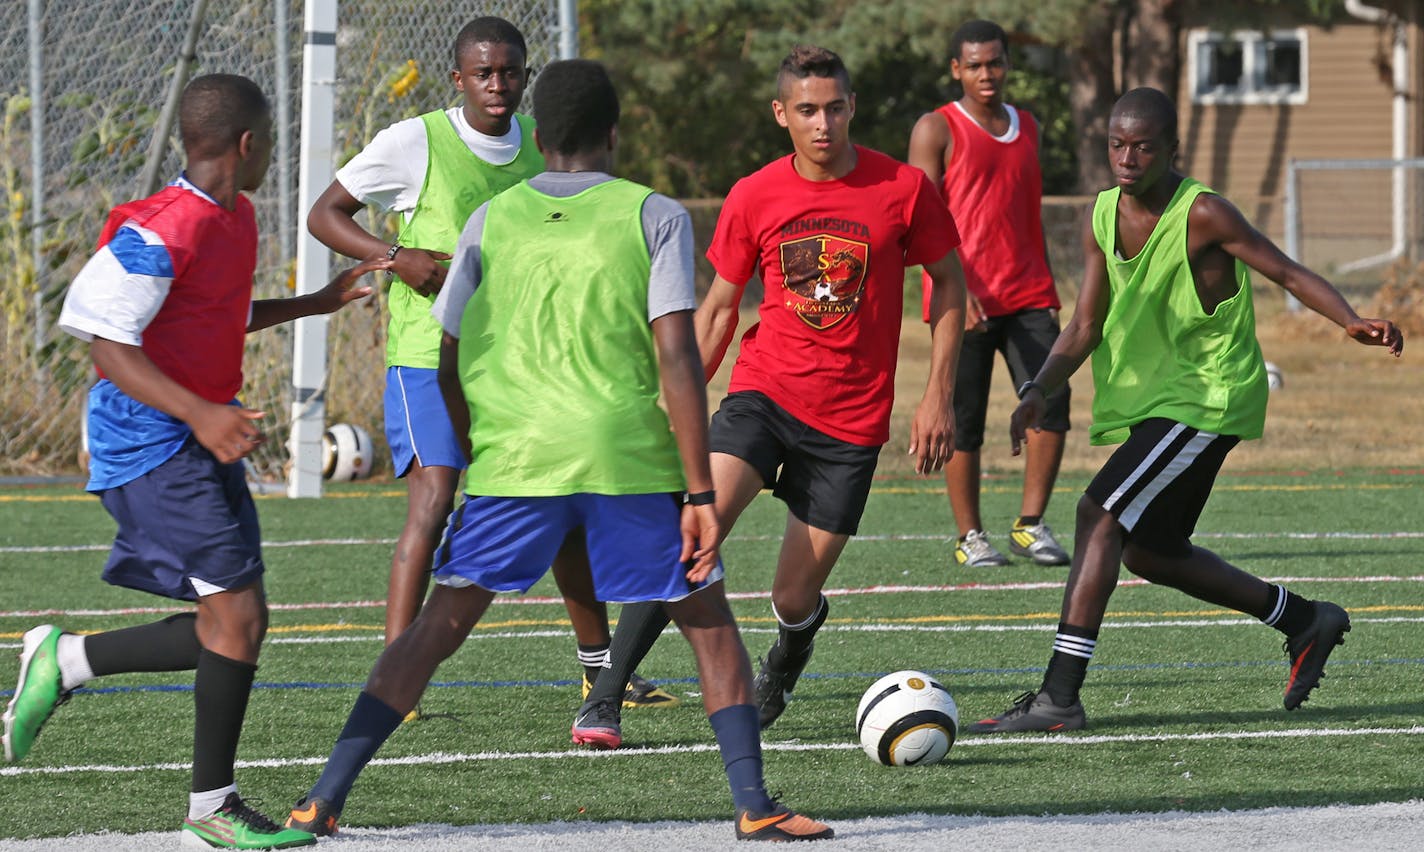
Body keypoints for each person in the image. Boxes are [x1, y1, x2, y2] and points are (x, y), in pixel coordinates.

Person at [282, 59, 833, 843]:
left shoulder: (491, 219)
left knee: (436, 629)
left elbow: (446, 349)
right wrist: (702, 494)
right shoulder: (655, 214)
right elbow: (677, 356)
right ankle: (753, 805)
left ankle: (323, 799)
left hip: (517, 461)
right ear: (616, 133)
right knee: (707, 622)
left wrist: (477, 446)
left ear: (538, 137)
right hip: (625, 460)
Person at [2, 74, 386, 848]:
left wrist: (317, 301)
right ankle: (209, 812)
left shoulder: (232, 217)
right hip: (147, 445)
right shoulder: (162, 227)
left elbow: (213, 315)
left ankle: (68, 659)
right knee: (236, 616)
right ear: (249, 145)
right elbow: (108, 345)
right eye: (271, 142)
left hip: (190, 437)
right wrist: (202, 413)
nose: (273, 155)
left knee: (237, 619)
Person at [968, 87, 1403, 733]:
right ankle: (1305, 619)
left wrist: (1349, 319)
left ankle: (1058, 697)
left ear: (1172, 148)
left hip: (1208, 395)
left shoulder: (1204, 213)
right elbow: (1085, 323)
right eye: (1117, 143)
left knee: (1099, 513)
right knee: (1151, 552)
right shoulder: (1103, 213)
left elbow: (1283, 272)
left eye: (1142, 145)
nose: (1127, 156)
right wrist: (1036, 388)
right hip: (1160, 401)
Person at [571, 45, 967, 746]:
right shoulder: (754, 194)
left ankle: (790, 649)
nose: (824, 124)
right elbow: (720, 309)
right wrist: (677, 403)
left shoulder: (903, 189)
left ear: (852, 108)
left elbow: (950, 285)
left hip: (851, 422)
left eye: (835, 108)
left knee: (791, 594)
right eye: (808, 110)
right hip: (764, 394)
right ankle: (603, 699)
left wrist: (939, 395)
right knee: (693, 535)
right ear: (781, 113)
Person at [306, 16, 674, 711]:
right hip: (426, 359)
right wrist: (392, 257)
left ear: (526, 75)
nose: (498, 85)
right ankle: (395, 676)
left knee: (563, 505)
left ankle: (599, 668)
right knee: (437, 497)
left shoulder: (542, 148)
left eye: (510, 72)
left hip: (516, 363)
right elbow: (325, 213)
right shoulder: (415, 141)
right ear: (459, 79)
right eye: (484, 73)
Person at [907, 19, 1071, 569]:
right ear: (956, 69)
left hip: (1026, 291)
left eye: (994, 62)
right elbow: (920, 219)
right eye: (974, 65)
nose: (986, 73)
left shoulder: (1030, 126)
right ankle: (970, 536)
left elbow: (1028, 214)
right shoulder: (936, 128)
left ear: (1007, 64)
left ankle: (1030, 525)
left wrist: (1047, 282)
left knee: (1052, 400)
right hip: (963, 297)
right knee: (964, 417)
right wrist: (959, 285)